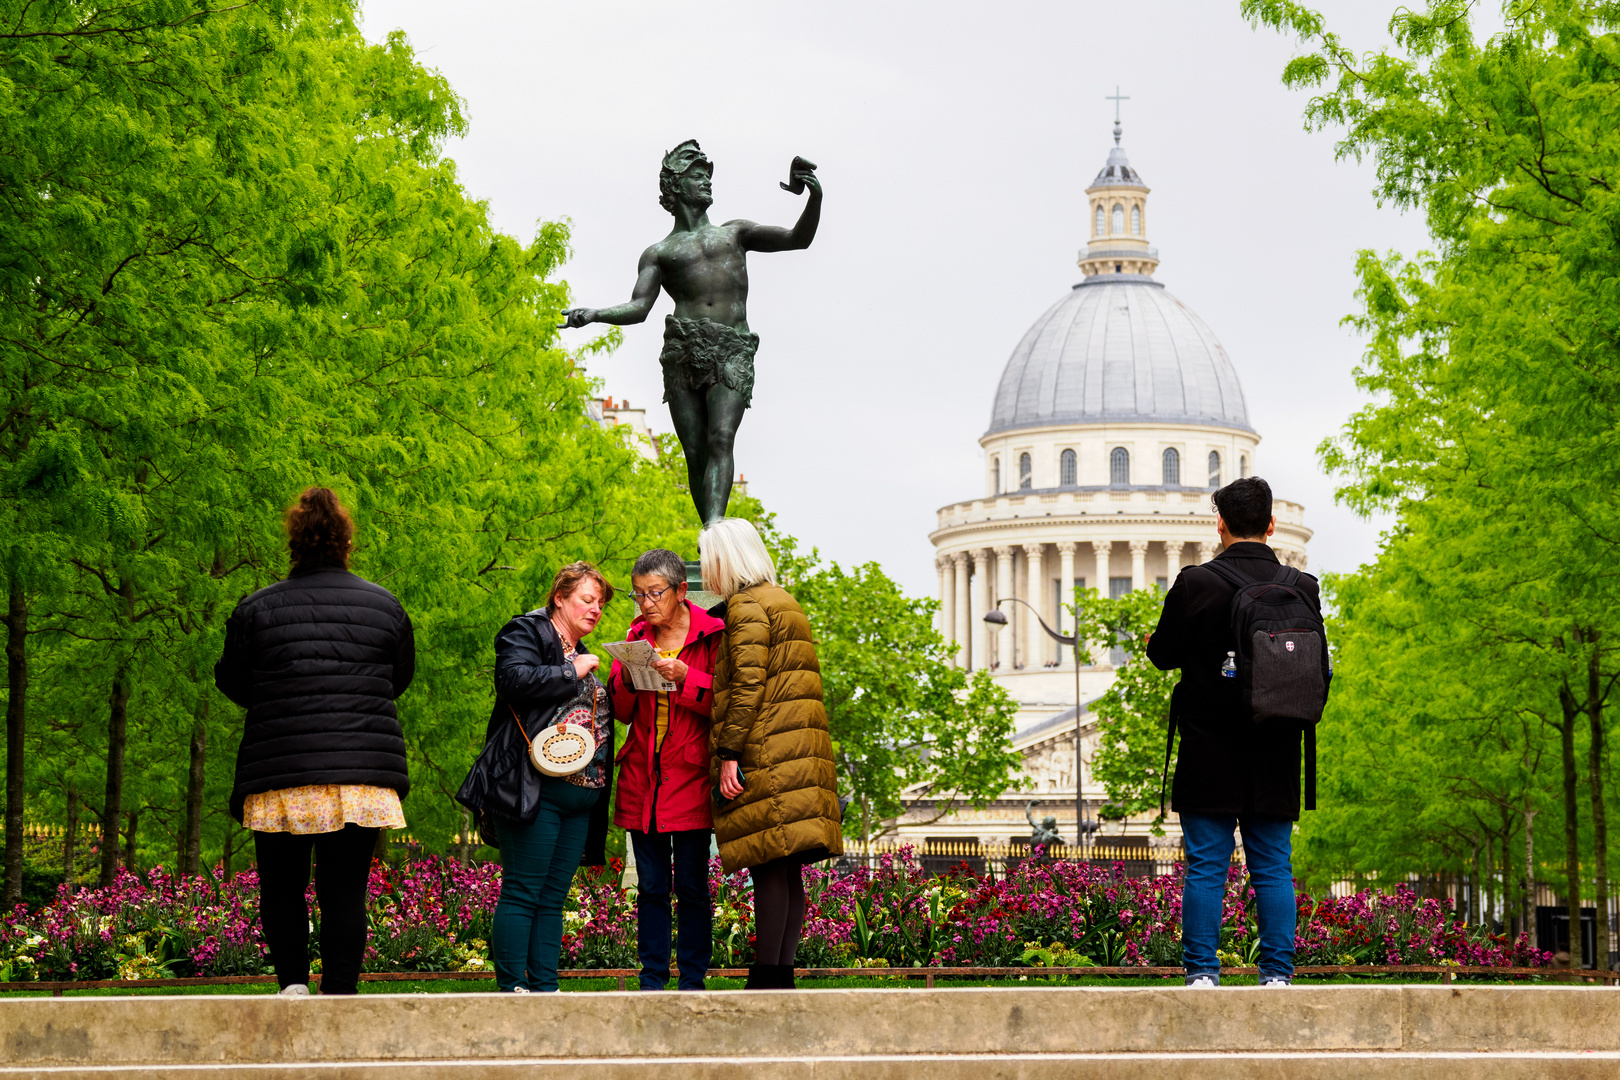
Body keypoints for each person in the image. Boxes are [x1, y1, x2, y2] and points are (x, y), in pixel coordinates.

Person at [215, 487, 415, 997]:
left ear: (295, 546)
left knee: (283, 888)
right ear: (347, 545)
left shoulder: (256, 609)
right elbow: (397, 676)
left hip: (282, 771)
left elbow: (234, 681)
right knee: (345, 889)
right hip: (360, 773)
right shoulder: (384, 606)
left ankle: (293, 988)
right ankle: (341, 991)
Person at [560, 140, 822, 523]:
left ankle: (716, 534)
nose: (708, 183)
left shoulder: (736, 233)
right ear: (676, 186)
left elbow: (798, 239)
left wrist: (814, 197)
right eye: (699, 177)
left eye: (707, 177)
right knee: (696, 452)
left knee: (720, 438)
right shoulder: (660, 252)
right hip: (682, 351)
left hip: (731, 348)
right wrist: (595, 313)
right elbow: (639, 308)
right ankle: (709, 535)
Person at [1146, 476, 1330, 988]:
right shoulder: (1302, 587)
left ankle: (1203, 973)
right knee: (1273, 865)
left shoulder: (1195, 584)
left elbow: (1163, 654)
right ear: (1271, 525)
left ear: (1220, 525)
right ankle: (1277, 975)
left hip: (1210, 747)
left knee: (1207, 867)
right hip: (1276, 744)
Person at [702, 518, 842, 989]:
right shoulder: (783, 600)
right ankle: (780, 973)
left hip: (766, 753)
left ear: (725, 560)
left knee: (767, 866)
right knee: (785, 869)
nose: (707, 573)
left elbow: (747, 685)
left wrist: (728, 753)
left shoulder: (747, 607)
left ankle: (765, 978)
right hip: (797, 752)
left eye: (709, 562)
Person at [485, 562, 616, 993]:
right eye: (586, 598)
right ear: (559, 597)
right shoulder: (528, 631)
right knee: (524, 889)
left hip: (582, 797)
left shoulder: (583, 653)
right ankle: (512, 988)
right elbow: (512, 680)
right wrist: (571, 671)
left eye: (600, 602)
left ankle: (546, 987)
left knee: (553, 897)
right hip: (535, 788)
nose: (595, 608)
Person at [607, 549, 725, 991]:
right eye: (638, 594)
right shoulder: (637, 635)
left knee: (693, 889)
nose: (646, 603)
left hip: (691, 777)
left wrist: (685, 677)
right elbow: (620, 712)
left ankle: (693, 980)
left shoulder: (712, 636)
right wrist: (624, 669)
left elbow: (728, 704)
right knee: (652, 889)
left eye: (654, 593)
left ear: (680, 591)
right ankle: (652, 980)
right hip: (643, 778)